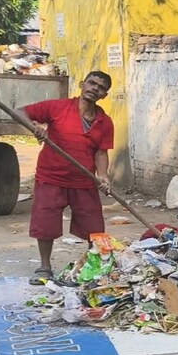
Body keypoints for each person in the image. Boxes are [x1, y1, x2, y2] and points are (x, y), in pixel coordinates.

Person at [23, 70, 114, 284]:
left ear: (104, 95)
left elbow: (101, 152)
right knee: (45, 223)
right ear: (82, 84)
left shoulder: (105, 122)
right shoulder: (57, 107)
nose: (95, 88)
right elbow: (21, 112)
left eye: (101, 88)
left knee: (94, 226)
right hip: (51, 176)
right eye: (92, 83)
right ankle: (45, 267)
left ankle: (94, 266)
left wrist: (103, 176)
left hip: (83, 180)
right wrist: (35, 127)